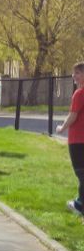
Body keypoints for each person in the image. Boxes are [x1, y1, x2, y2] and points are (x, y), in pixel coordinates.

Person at [57, 61, 84, 217]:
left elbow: (73, 116)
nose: (74, 76)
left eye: (78, 73)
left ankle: (79, 206)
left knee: (81, 173)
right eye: (74, 73)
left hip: (78, 140)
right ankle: (79, 202)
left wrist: (62, 128)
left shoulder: (79, 94)